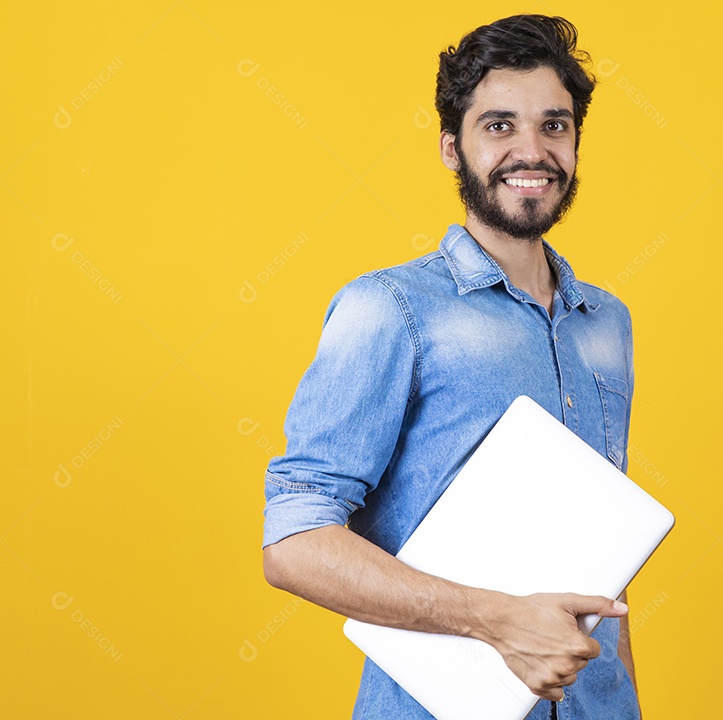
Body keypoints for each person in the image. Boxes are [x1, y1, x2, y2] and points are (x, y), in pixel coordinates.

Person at [261, 14, 641, 719]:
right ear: (450, 147)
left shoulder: (607, 325)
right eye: (499, 125)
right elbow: (295, 542)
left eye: (554, 126)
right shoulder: (389, 309)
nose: (532, 150)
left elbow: (608, 552)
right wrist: (495, 618)